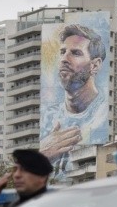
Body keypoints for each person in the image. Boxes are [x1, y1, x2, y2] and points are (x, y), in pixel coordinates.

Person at [40, 23, 109, 176]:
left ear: (95, 65)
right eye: (62, 52)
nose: (64, 59)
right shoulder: (47, 116)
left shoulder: (104, 116)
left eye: (76, 53)